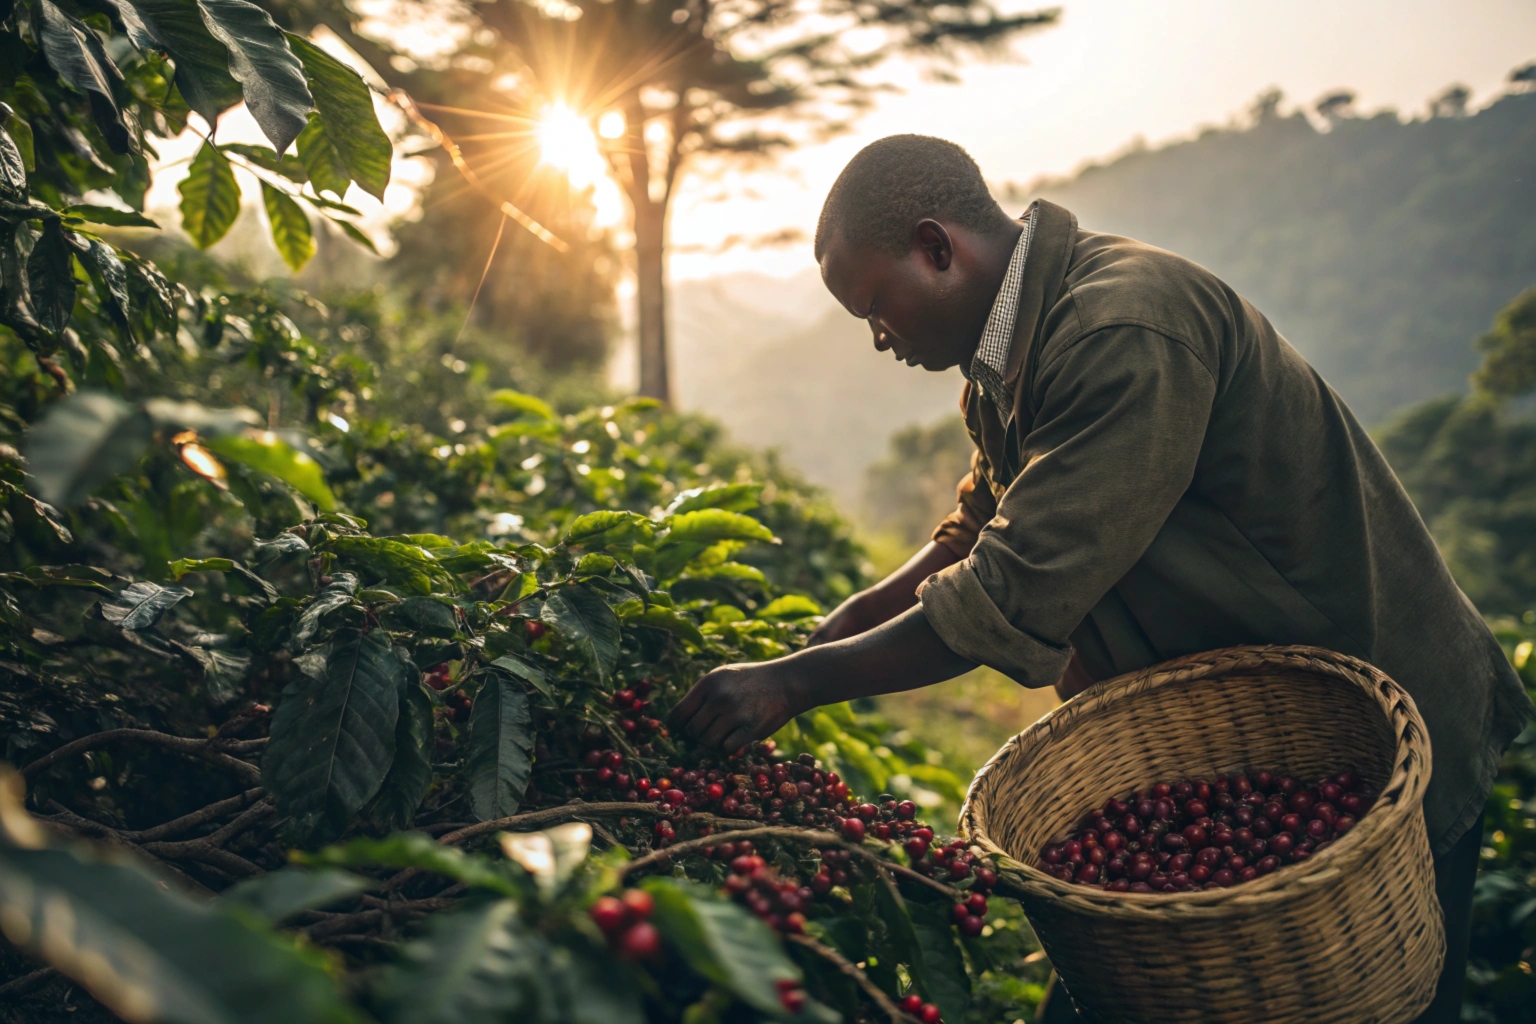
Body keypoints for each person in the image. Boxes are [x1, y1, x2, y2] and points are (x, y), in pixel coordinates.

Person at [667, 134, 1533, 1021]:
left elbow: (1009, 589)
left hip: (1363, 732)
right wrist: (834, 631)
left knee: (1373, 997)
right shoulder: (1003, 366)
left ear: (937, 248)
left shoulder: (1121, 331)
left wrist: (794, 685)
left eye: (876, 307)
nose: (880, 339)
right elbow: (976, 531)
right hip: (1223, 741)